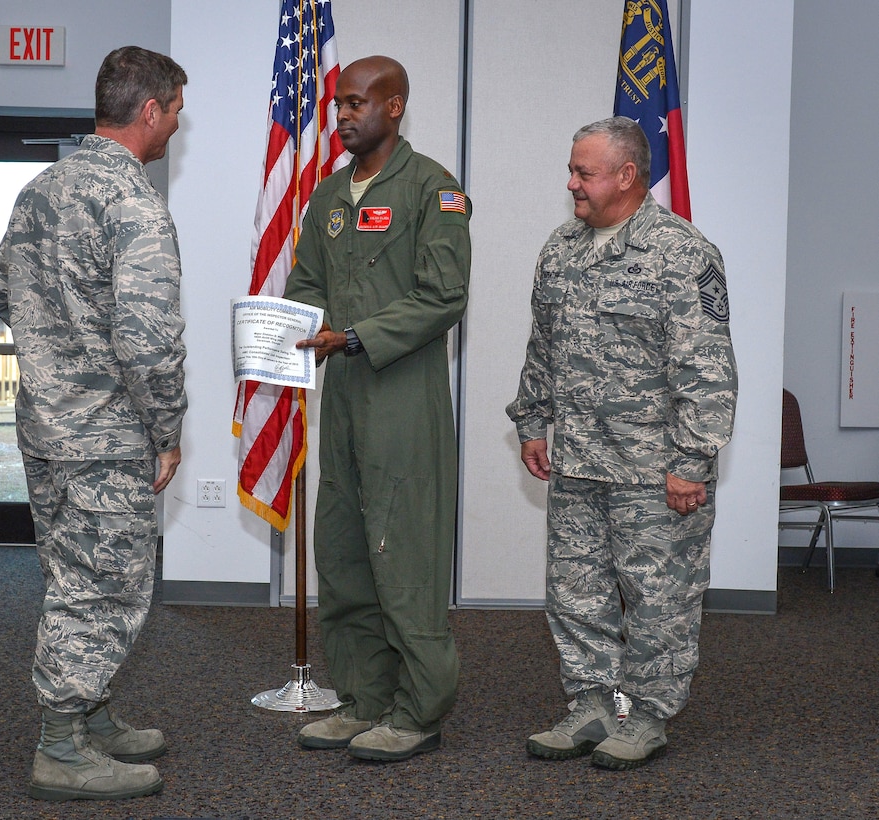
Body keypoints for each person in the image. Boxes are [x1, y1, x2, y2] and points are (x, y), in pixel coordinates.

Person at [506, 116, 737, 770]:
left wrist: (690, 462)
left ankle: (649, 713)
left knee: (658, 596)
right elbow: (543, 345)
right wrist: (531, 418)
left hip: (652, 468)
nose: (571, 183)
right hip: (579, 458)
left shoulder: (680, 253)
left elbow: (707, 369)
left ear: (626, 175)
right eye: (572, 170)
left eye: (583, 172)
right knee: (575, 592)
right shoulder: (560, 248)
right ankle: (590, 703)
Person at [0, 45, 188, 801]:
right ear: (148, 111)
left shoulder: (41, 189)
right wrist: (165, 430)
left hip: (45, 428)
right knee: (101, 588)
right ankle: (61, 746)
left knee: (72, 576)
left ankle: (94, 711)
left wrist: (52, 353)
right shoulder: (133, 203)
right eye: (174, 110)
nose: (175, 123)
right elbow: (147, 341)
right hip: (106, 439)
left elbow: (2, 285)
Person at [284, 55, 471, 762]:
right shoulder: (329, 195)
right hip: (342, 398)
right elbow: (305, 281)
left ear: (394, 106)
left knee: (404, 558)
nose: (343, 116)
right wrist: (283, 331)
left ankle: (418, 709)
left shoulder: (433, 190)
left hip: (402, 396)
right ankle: (361, 698)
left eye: (357, 103)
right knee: (343, 552)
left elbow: (441, 296)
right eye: (337, 105)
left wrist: (357, 335)